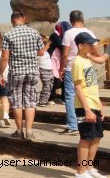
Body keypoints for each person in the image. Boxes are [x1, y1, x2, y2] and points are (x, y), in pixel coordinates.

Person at [0, 12, 45, 140]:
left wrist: (0, 73)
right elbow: (41, 52)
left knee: (17, 102)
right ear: (23, 19)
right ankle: (29, 132)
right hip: (32, 72)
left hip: (16, 72)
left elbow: (5, 57)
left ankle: (19, 131)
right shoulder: (35, 33)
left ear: (12, 21)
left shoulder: (8, 35)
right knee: (30, 102)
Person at [60, 10, 106, 135]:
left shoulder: (68, 33)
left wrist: (61, 68)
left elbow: (65, 54)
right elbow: (97, 53)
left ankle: (73, 125)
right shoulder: (90, 32)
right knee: (87, 91)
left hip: (71, 67)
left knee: (70, 96)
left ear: (71, 20)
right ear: (82, 18)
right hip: (87, 67)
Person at [72, 32, 107, 178]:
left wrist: (99, 104)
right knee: (86, 138)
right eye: (89, 44)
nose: (93, 46)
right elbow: (78, 88)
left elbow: (91, 84)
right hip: (84, 106)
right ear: (80, 46)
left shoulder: (87, 60)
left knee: (97, 136)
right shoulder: (78, 62)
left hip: (93, 104)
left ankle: (89, 167)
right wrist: (87, 109)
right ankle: (81, 172)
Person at [49, 21, 72, 104]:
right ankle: (51, 97)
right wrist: (70, 48)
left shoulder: (62, 36)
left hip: (59, 60)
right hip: (53, 60)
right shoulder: (54, 35)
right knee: (54, 78)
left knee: (63, 78)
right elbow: (61, 46)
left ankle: (63, 98)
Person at [37, 35, 54, 107]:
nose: (49, 47)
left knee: (50, 85)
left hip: (49, 70)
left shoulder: (46, 52)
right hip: (44, 70)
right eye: (48, 45)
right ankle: (42, 101)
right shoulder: (40, 53)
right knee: (46, 86)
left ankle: (45, 100)